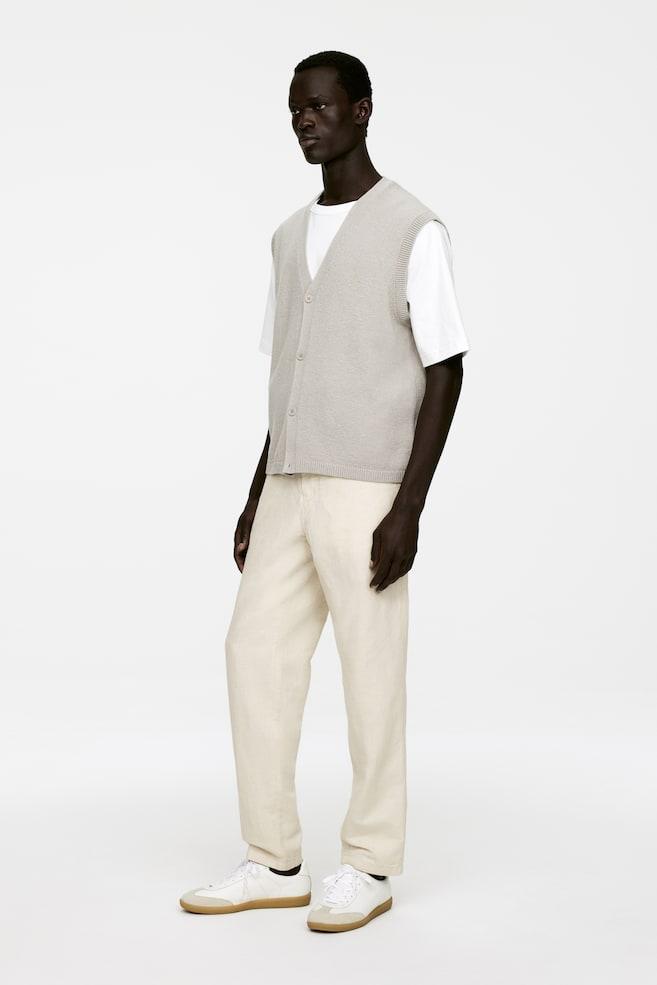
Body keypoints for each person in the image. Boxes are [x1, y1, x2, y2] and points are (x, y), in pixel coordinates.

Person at [180, 49, 470, 933]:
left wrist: (409, 506)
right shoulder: (284, 238)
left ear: (362, 110)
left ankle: (370, 863)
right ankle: (272, 857)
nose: (305, 121)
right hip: (286, 483)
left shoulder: (413, 227)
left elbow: (446, 368)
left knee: (370, 670)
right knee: (253, 652)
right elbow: (291, 382)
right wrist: (253, 494)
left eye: (320, 106)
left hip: (368, 487)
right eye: (295, 109)